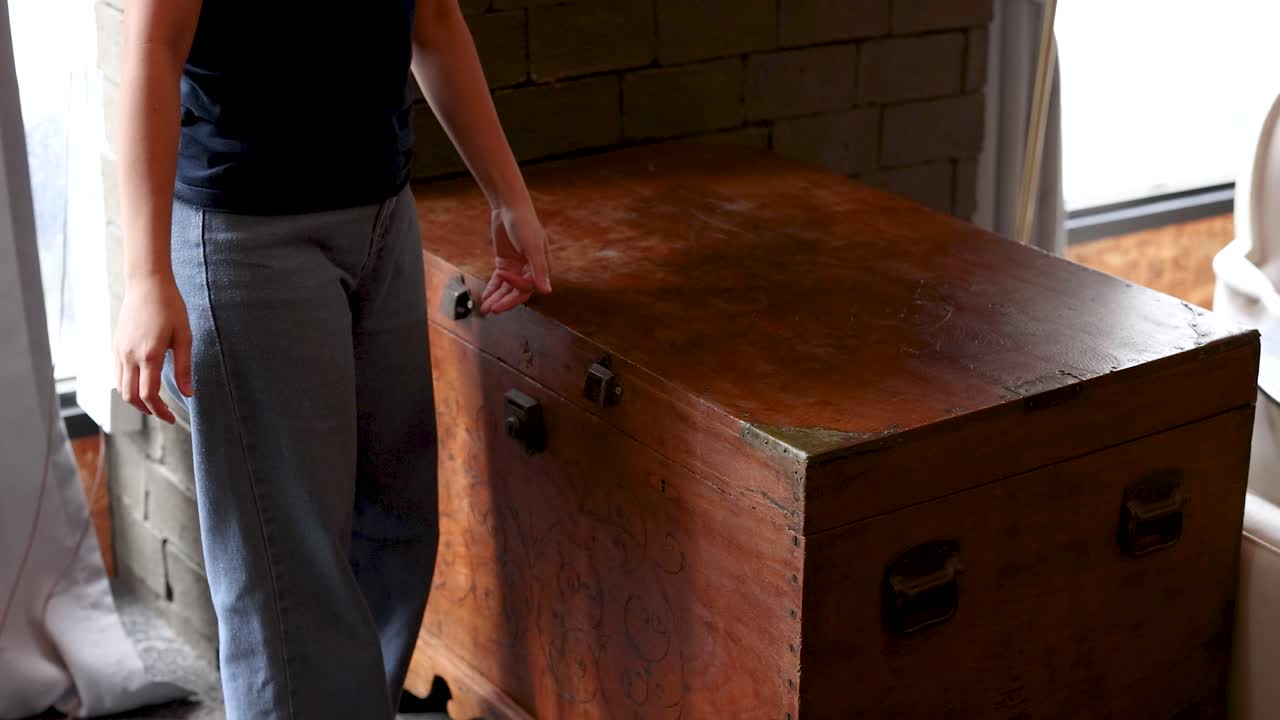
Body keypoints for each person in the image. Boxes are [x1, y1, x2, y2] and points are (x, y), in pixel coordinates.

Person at [111, 1, 551, 718]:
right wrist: (145, 277)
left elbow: (433, 17)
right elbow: (152, 48)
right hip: (249, 235)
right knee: (291, 577)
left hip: (382, 213)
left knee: (396, 528)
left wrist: (508, 197)